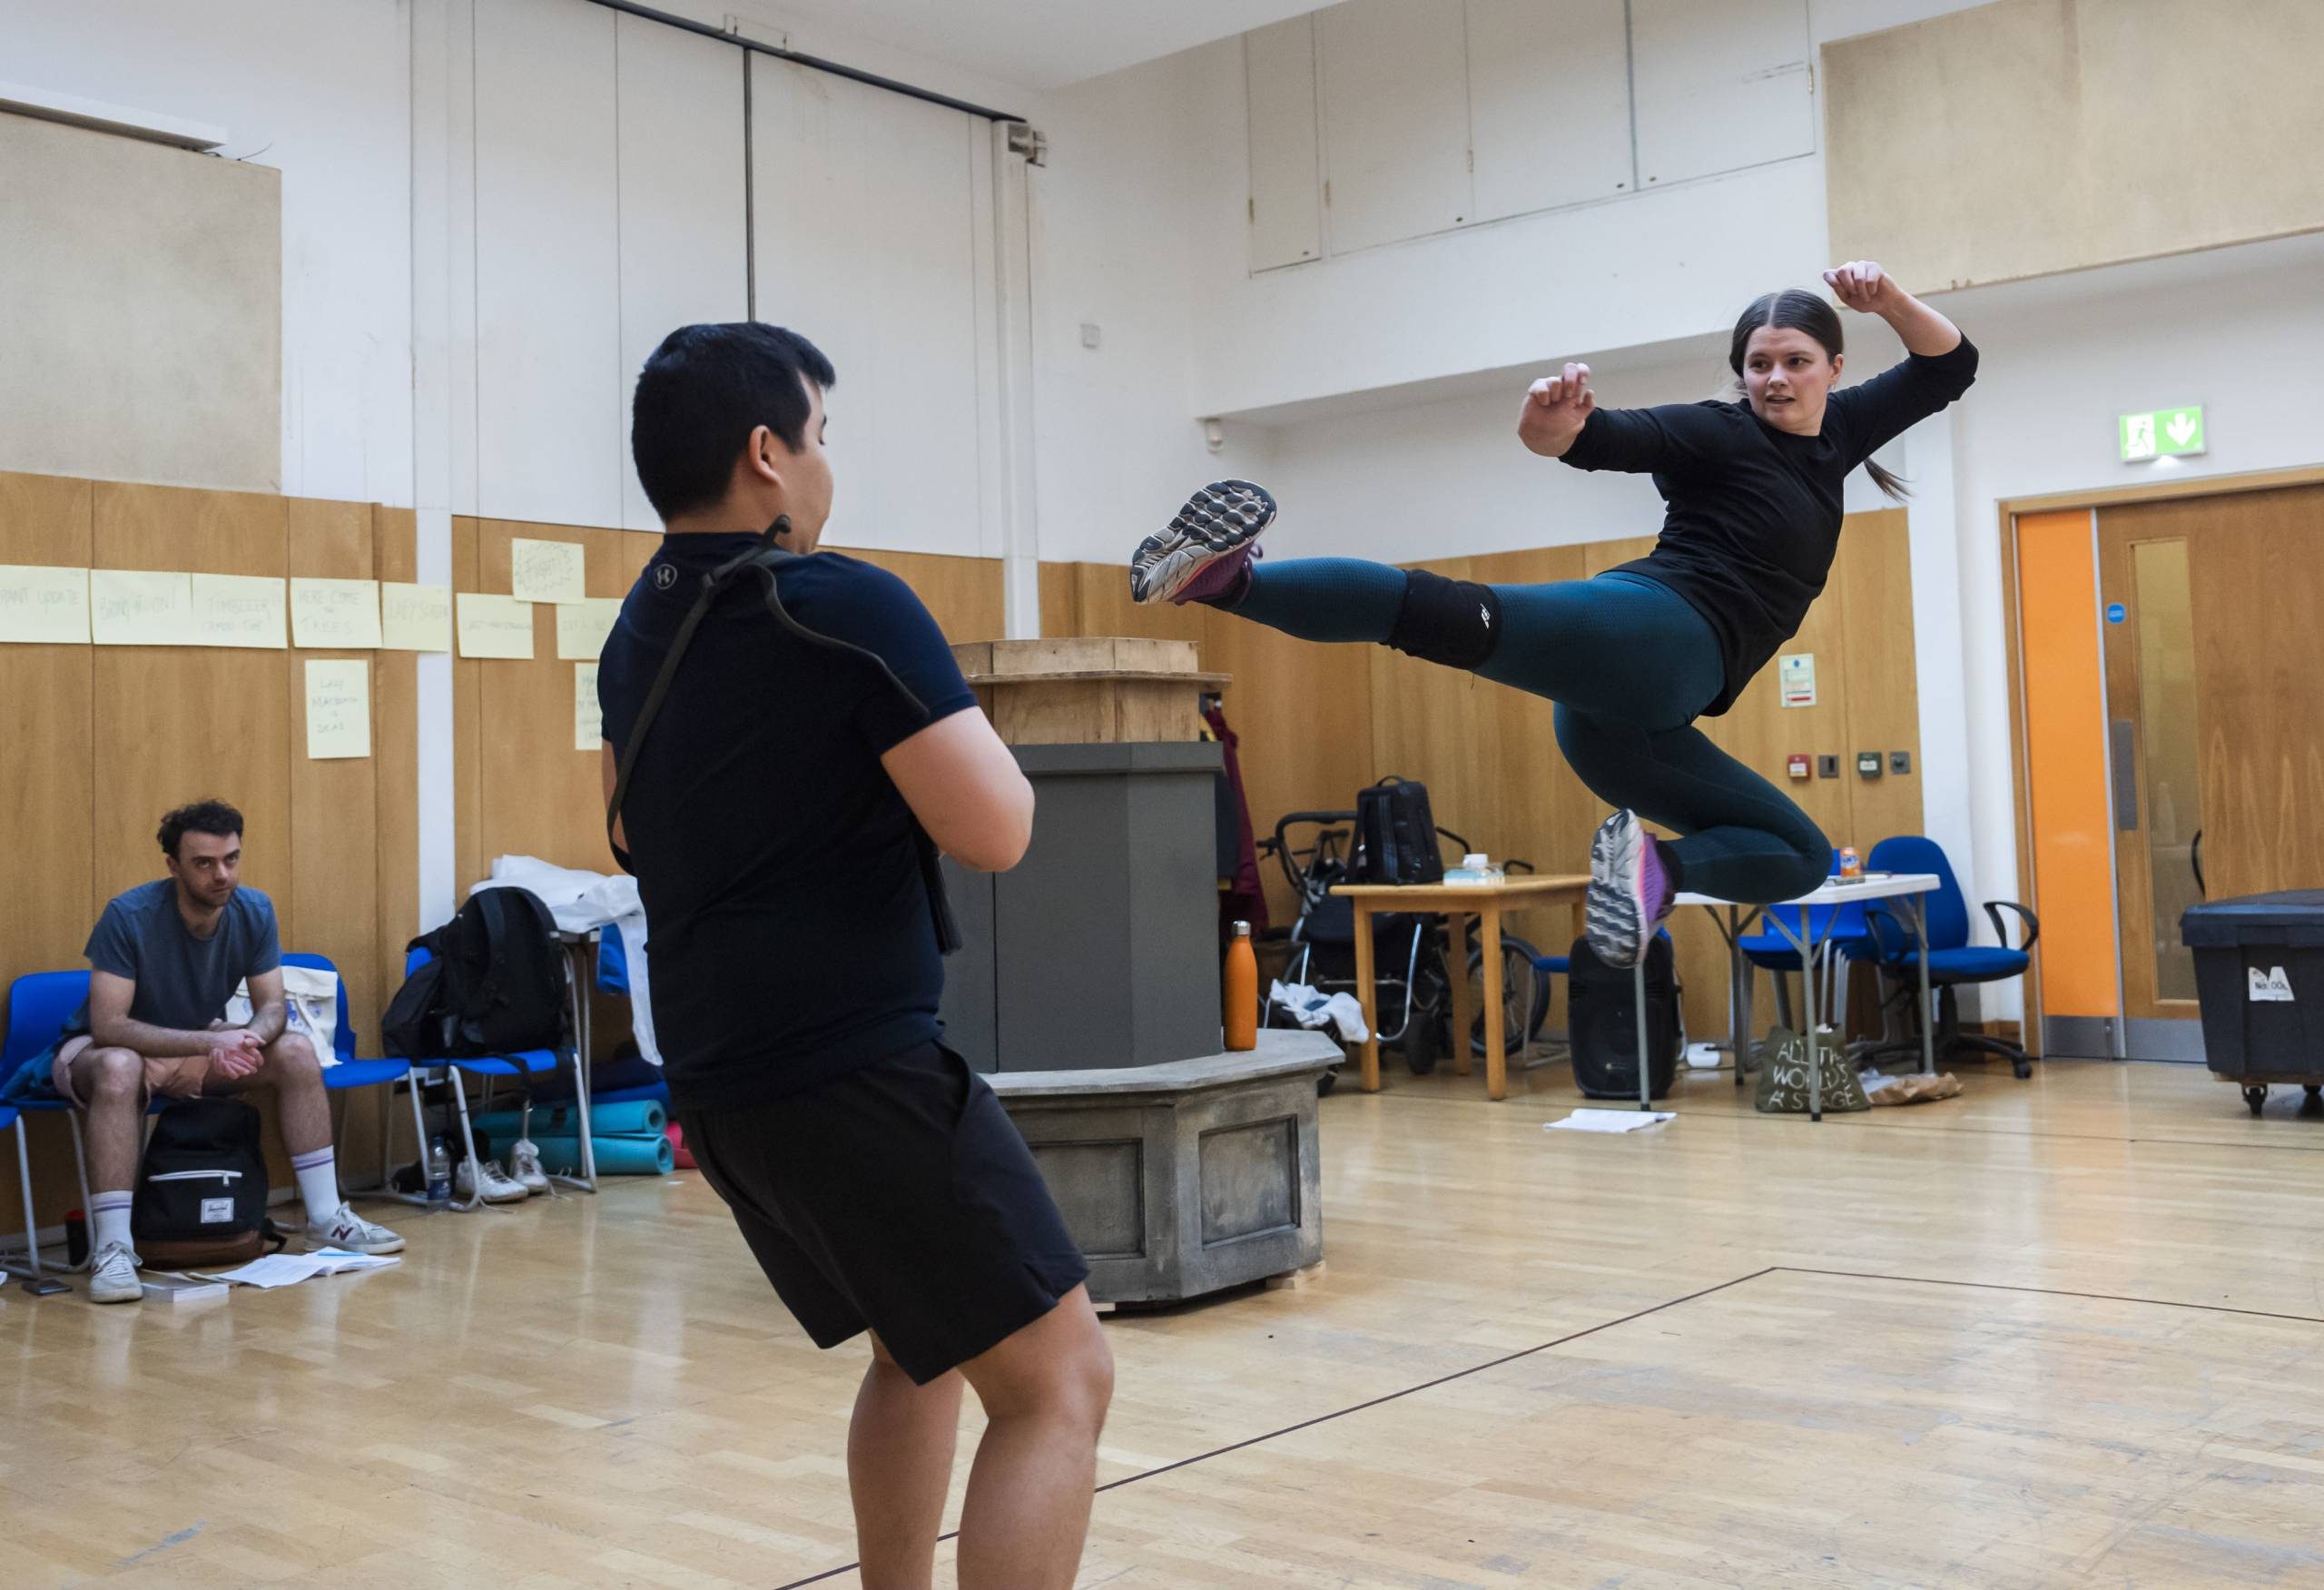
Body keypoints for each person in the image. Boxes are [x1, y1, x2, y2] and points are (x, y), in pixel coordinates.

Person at [599, 321, 1112, 1589]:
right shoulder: (843, 602)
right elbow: (997, 829)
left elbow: (613, 828)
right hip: (851, 1072)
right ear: (767, 454)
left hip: (723, 1085)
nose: (830, 467)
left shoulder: (636, 626)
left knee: (919, 1346)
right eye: (821, 437)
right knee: (1059, 1380)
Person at [1132, 262, 1977, 966]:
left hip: (1633, 720)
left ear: (1833, 365)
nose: (1776, 379)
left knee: (1796, 855)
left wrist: (1889, 301)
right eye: (1759, 364)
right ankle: (1229, 581)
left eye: (1795, 361)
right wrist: (1551, 426)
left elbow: (1951, 365)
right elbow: (1598, 439)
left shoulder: (1844, 434)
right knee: (1450, 615)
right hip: (1652, 636)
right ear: (1741, 372)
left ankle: (1650, 871)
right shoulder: (1719, 432)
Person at [38, 800, 404, 1304]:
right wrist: (214, 1041)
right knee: (120, 1068)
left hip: (193, 1042)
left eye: (231, 859)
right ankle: (115, 1249)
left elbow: (272, 1006)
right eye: (204, 863)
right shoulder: (129, 915)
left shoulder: (254, 910)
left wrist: (248, 1038)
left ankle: (326, 1219)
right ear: (173, 866)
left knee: (295, 1051)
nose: (221, 874)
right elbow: (110, 1026)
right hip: (107, 1052)